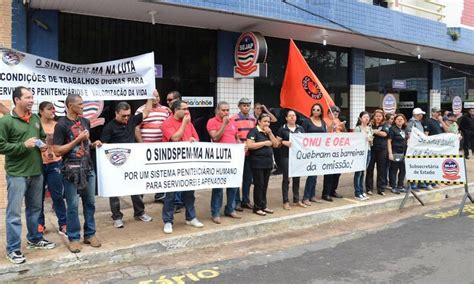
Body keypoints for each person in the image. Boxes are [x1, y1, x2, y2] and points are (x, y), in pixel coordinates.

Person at [0, 86, 56, 264]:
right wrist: (23, 146)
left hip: (36, 172)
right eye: (28, 97)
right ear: (17, 100)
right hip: (17, 174)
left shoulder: (35, 119)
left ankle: (34, 239)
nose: (32, 100)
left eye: (32, 97)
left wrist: (44, 147)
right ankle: (13, 249)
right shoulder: (6, 121)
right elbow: (1, 146)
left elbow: (41, 137)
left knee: (35, 209)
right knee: (14, 213)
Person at [53, 93, 102, 253]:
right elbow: (57, 150)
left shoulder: (85, 121)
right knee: (73, 205)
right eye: (80, 104)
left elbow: (85, 144)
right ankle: (74, 237)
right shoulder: (61, 125)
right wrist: (77, 139)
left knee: (90, 203)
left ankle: (90, 234)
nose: (83, 107)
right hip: (71, 171)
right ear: (70, 106)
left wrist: (94, 144)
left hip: (87, 168)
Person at [101, 101, 154, 229]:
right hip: (115, 164)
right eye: (123, 116)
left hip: (132, 162)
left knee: (136, 187)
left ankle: (139, 212)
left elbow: (146, 111)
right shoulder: (109, 127)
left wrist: (150, 95)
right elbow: (103, 146)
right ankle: (117, 217)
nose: (126, 118)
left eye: (128, 115)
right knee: (114, 192)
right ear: (116, 113)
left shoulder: (131, 121)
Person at [161, 100, 204, 233]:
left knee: (190, 192)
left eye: (188, 108)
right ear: (175, 110)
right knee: (170, 194)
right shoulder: (167, 123)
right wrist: (184, 124)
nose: (187, 111)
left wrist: (193, 140)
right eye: (184, 109)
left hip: (188, 163)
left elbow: (196, 139)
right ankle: (168, 221)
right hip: (173, 164)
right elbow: (174, 138)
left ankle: (191, 217)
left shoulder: (189, 123)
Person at [207, 101, 242, 224]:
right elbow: (215, 137)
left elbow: (236, 137)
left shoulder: (233, 122)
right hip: (219, 160)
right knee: (218, 188)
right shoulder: (212, 122)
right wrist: (223, 124)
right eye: (223, 110)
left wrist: (241, 146)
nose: (226, 112)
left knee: (233, 185)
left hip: (233, 159)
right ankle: (215, 212)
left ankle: (230, 209)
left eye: (227, 110)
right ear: (217, 110)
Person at [135, 89, 171, 203]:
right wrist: (142, 144)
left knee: (161, 172)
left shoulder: (166, 110)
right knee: (144, 173)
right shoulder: (141, 110)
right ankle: (139, 198)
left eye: (157, 96)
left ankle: (160, 195)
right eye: (153, 96)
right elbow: (136, 127)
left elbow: (170, 125)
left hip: (162, 148)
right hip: (146, 148)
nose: (155, 99)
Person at [37, 102, 67, 236]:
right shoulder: (35, 125)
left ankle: (63, 224)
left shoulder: (58, 125)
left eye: (53, 109)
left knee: (57, 195)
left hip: (55, 164)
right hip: (38, 164)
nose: (52, 111)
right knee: (38, 197)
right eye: (49, 109)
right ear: (41, 111)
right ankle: (40, 224)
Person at [246, 113, 279, 216]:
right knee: (259, 185)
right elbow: (249, 145)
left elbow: (276, 144)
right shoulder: (254, 131)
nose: (267, 123)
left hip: (267, 163)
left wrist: (270, 134)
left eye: (268, 122)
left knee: (265, 185)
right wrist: (264, 143)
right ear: (259, 121)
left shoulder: (268, 132)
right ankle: (257, 207)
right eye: (264, 121)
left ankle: (264, 206)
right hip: (257, 163)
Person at [277, 110, 306, 209]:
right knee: (286, 179)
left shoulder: (300, 128)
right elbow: (277, 143)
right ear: (286, 118)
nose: (292, 117)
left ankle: (296, 199)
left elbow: (304, 142)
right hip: (286, 156)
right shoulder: (282, 129)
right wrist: (283, 142)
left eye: (293, 115)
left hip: (297, 157)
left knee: (297, 178)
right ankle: (285, 201)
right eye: (290, 116)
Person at [231, 98, 256, 211]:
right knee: (237, 178)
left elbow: (255, 134)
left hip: (250, 152)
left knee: (248, 178)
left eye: (248, 105)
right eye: (244, 105)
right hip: (238, 152)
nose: (246, 107)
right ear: (239, 106)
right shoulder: (233, 119)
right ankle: (236, 202)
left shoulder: (253, 119)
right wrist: (240, 143)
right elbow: (232, 134)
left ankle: (245, 200)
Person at [301, 103, 327, 205]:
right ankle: (306, 197)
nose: (315, 111)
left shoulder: (323, 122)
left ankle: (312, 195)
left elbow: (325, 136)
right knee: (311, 174)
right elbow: (302, 136)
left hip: (319, 152)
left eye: (318, 110)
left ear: (321, 112)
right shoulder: (306, 121)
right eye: (314, 109)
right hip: (310, 152)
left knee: (315, 174)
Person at [322, 105, 346, 202]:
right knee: (329, 173)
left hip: (338, 150)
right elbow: (328, 132)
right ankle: (326, 193)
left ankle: (333, 190)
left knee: (337, 172)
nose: (336, 114)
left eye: (337, 112)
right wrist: (332, 122)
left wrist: (343, 126)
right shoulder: (324, 120)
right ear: (329, 113)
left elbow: (344, 132)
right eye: (333, 112)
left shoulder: (338, 120)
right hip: (329, 150)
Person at [165, 91, 185, 211]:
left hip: (184, 154)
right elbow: (175, 138)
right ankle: (174, 205)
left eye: (170, 99)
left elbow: (193, 137)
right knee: (172, 182)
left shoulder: (186, 119)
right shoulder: (167, 120)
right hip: (171, 155)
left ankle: (180, 202)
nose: (167, 102)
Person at [366, 109, 390, 196]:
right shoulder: (370, 124)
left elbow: (385, 134)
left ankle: (381, 189)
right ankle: (369, 189)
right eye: (376, 116)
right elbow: (367, 132)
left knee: (381, 169)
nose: (378, 118)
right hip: (371, 149)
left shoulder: (385, 124)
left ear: (383, 117)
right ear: (374, 116)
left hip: (382, 149)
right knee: (370, 169)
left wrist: (375, 131)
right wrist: (374, 131)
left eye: (380, 116)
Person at [406, 108, 430, 191]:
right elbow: (409, 134)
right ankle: (413, 184)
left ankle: (420, 182)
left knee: (419, 164)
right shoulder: (411, 123)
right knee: (414, 165)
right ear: (416, 115)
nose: (421, 116)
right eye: (420, 114)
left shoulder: (418, 122)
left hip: (419, 147)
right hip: (414, 147)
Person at [353, 111, 373, 201]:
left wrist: (370, 140)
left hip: (368, 151)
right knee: (358, 172)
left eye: (368, 117)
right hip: (360, 152)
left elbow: (371, 143)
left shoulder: (370, 128)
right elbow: (355, 141)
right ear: (360, 118)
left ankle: (361, 191)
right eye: (364, 117)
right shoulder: (358, 128)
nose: (366, 119)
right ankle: (357, 192)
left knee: (363, 172)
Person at [387, 114, 408, 194]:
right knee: (393, 170)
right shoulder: (392, 129)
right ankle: (394, 186)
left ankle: (400, 185)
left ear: (404, 121)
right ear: (395, 121)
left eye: (401, 119)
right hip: (395, 152)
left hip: (403, 153)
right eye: (398, 119)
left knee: (403, 170)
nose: (400, 120)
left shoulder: (403, 130)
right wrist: (390, 153)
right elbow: (389, 141)